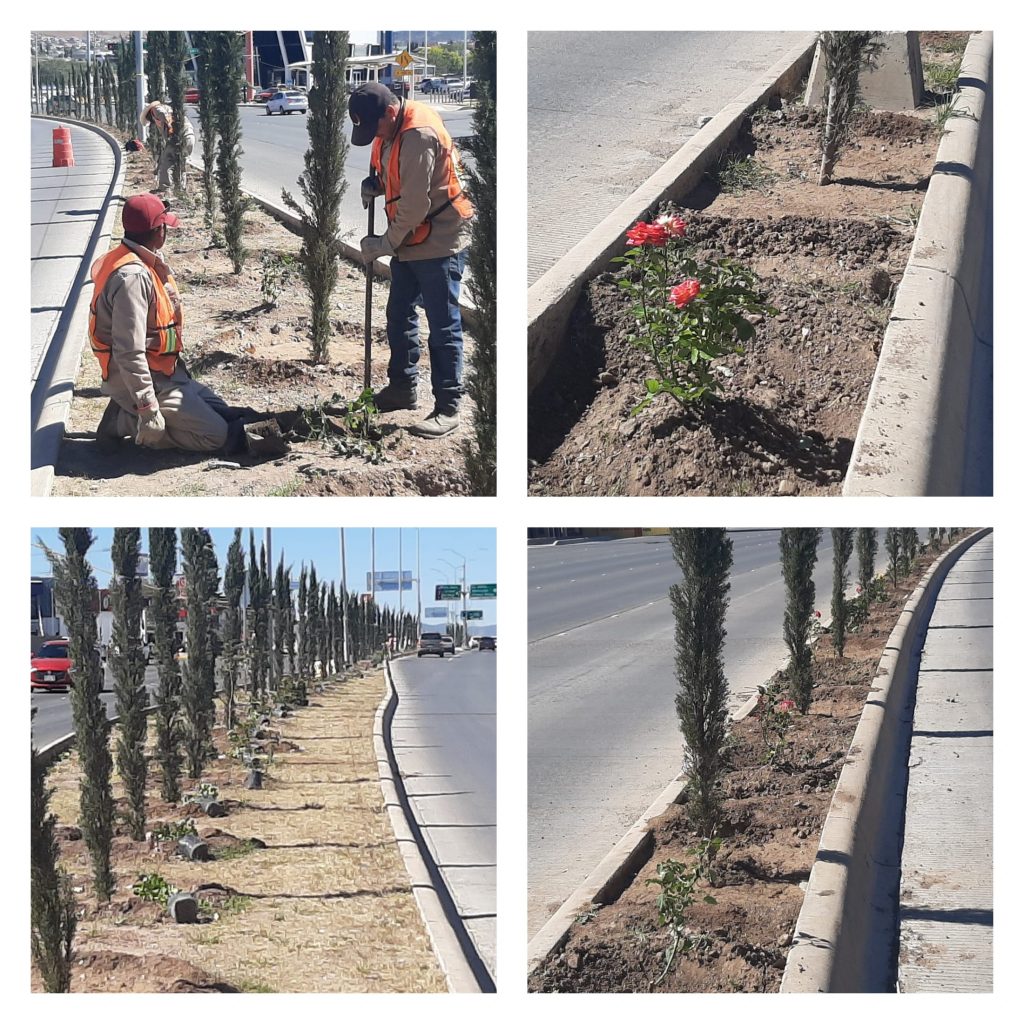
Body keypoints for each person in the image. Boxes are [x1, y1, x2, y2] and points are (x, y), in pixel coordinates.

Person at [350, 82, 474, 438]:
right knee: (399, 313)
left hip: (439, 240)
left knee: (443, 326)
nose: (374, 135)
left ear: (390, 112)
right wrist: (375, 184)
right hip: (410, 240)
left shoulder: (418, 134)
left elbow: (417, 205)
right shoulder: (389, 128)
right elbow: (396, 176)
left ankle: (448, 407)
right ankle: (403, 388)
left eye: (374, 128)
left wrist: (383, 244)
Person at [89, 193, 250, 453]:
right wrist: (147, 408)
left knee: (226, 414)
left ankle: (132, 409)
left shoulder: (140, 258)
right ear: (158, 230)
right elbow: (128, 352)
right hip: (149, 380)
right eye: (165, 226)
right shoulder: (133, 278)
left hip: (168, 373)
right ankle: (124, 421)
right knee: (218, 438)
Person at [141, 100, 196, 191]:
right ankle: (181, 188)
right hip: (190, 136)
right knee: (181, 162)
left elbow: (164, 115)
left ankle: (164, 188)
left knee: (166, 162)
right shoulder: (168, 108)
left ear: (149, 114)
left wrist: (170, 127)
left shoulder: (155, 110)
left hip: (178, 137)